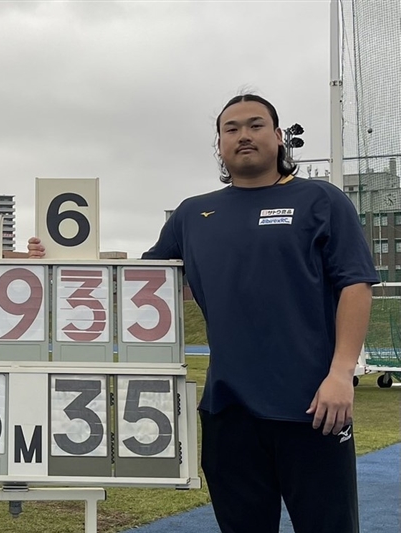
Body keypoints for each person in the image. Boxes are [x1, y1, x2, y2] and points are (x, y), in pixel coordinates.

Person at [29, 94, 377, 533]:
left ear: (278, 136)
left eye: (255, 125)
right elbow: (131, 279)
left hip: (315, 408)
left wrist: (341, 373)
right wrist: (55, 260)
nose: (244, 135)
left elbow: (355, 284)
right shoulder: (193, 214)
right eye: (231, 129)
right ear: (219, 144)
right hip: (229, 413)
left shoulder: (321, 200)